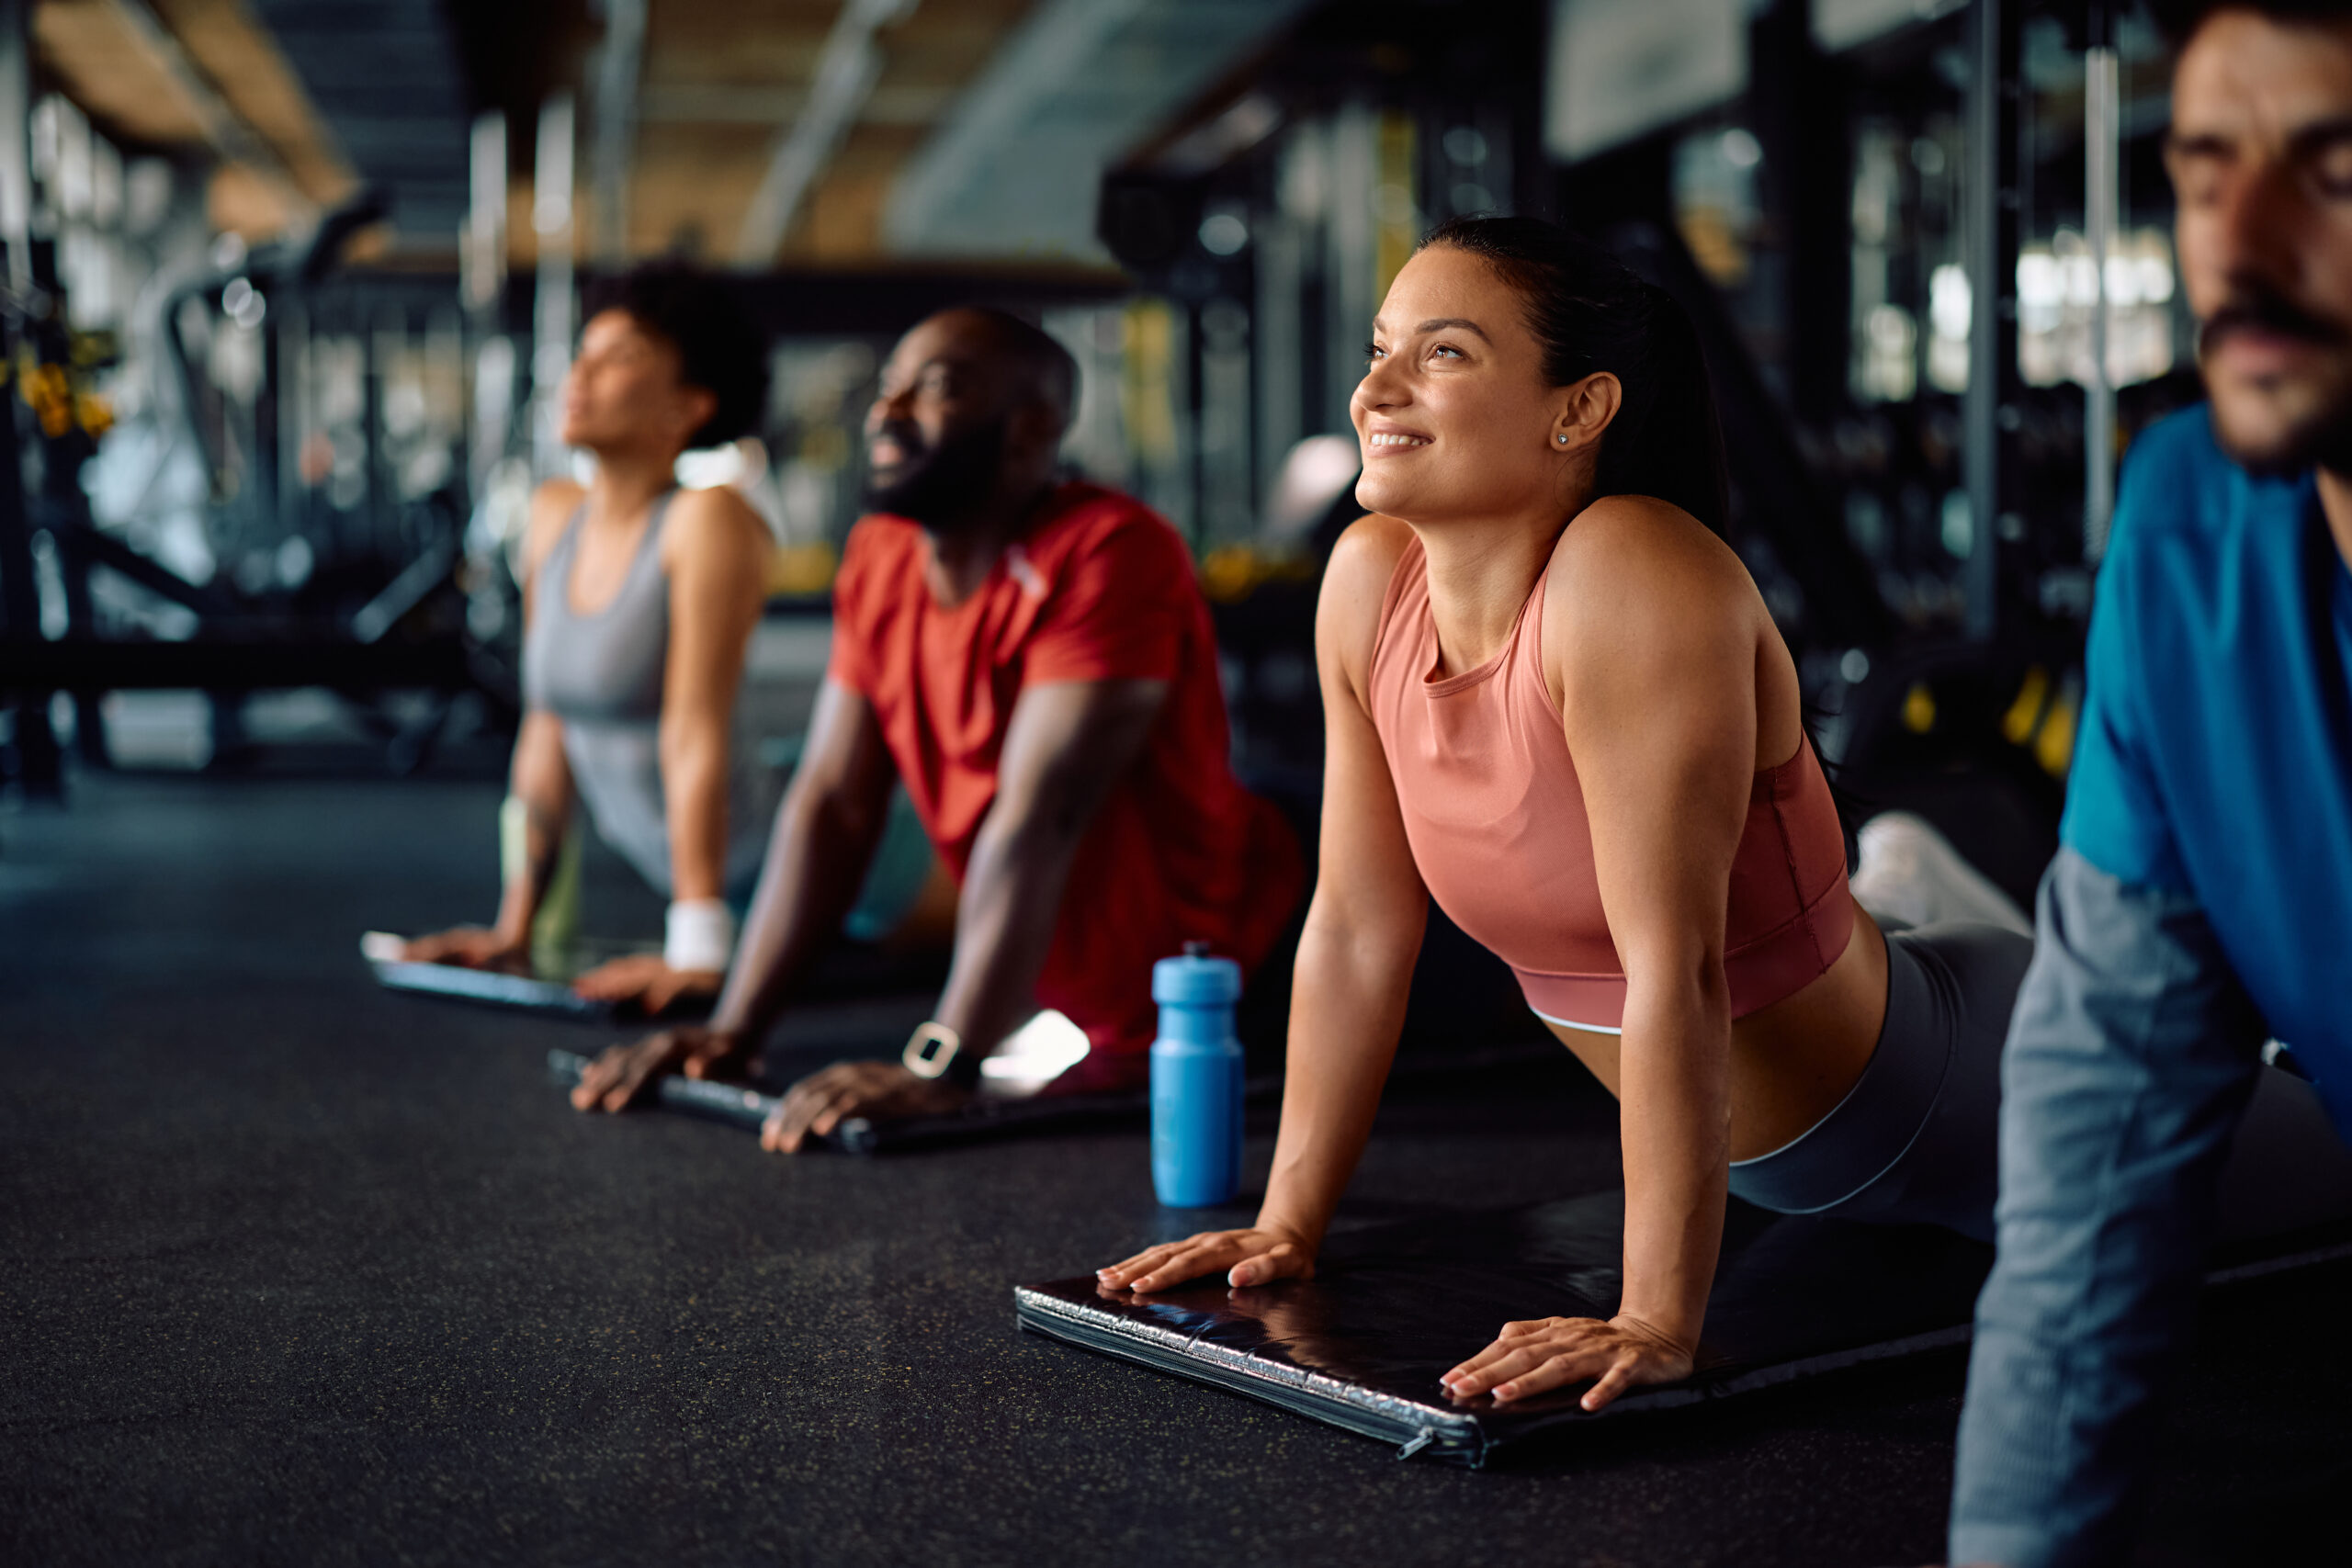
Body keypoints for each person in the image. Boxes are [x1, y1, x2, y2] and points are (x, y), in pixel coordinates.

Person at [1094, 215, 2060, 1414]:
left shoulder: (1630, 569)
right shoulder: (1367, 580)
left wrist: (1657, 1313)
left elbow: (1678, 969)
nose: (1375, 387)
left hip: (1956, 1096)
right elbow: (1353, 928)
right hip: (1792, 1160)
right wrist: (1286, 1220)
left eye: (1440, 353)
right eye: (1379, 347)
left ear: (1579, 408)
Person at [1948, 6, 2352, 1564]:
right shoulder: (2188, 521)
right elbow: (2098, 1163)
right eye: (2203, 169)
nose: (2241, 242)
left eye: (2333, 170)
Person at [570, 306, 1305, 1140]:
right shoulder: (882, 554)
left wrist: (942, 1063)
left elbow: (1042, 811)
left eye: (938, 390)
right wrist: (732, 1030)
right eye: (890, 389)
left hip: (1262, 949)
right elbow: (833, 801)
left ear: (1029, 430)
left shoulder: (1109, 550)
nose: (889, 412)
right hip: (1093, 987)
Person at [401, 265, 779, 1012]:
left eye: (621, 357)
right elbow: (547, 725)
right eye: (585, 352)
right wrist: (516, 927)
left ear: (687, 408)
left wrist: (698, 950)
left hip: (802, 863)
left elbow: (693, 732)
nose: (581, 373)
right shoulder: (552, 515)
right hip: (722, 884)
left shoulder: (707, 520)